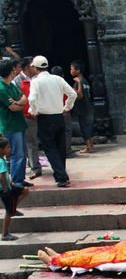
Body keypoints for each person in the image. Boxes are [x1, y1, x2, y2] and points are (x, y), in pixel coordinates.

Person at [27, 55, 76, 187]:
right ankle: (61, 175)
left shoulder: (36, 82)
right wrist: (66, 107)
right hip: (59, 116)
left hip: (44, 118)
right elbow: (73, 94)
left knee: (50, 148)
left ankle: (61, 176)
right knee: (60, 147)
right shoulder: (57, 79)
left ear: (35, 68)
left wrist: (33, 111)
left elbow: (31, 99)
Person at [0, 60, 29, 188]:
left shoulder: (11, 85)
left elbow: (24, 98)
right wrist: (19, 103)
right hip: (10, 125)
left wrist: (18, 102)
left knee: (22, 153)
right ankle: (17, 181)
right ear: (11, 71)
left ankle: (20, 178)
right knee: (17, 154)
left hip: (19, 124)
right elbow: (13, 107)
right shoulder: (1, 88)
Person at [0, 135, 28, 241]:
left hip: (8, 186)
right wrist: (5, 187)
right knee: (8, 212)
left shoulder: (2, 160)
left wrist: (9, 182)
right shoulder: (1, 162)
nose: (9, 149)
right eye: (7, 147)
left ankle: (14, 208)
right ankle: (5, 234)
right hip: (4, 190)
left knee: (25, 190)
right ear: (1, 150)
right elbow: (1, 176)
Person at [69, 61, 94, 155]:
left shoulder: (79, 81)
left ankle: (89, 147)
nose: (70, 71)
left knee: (85, 127)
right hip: (88, 108)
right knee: (89, 126)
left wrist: (78, 84)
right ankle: (90, 145)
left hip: (83, 109)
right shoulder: (85, 81)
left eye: (72, 69)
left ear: (77, 70)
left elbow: (80, 96)